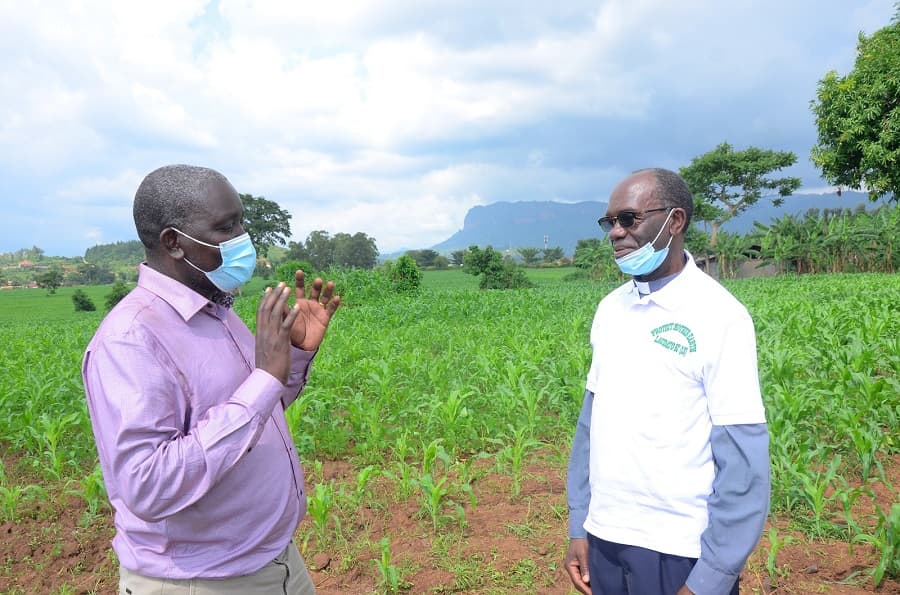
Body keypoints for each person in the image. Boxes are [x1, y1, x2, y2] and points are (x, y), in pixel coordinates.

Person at [82, 164, 340, 595]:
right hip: (202, 582)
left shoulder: (218, 311)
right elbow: (148, 485)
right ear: (174, 243)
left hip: (275, 562)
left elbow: (256, 413)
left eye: (241, 222)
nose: (243, 240)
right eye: (226, 227)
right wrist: (263, 378)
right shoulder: (130, 339)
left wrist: (291, 358)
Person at [564, 168, 770, 595]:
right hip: (605, 538)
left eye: (628, 219)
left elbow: (744, 462)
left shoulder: (720, 316)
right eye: (610, 223)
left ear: (675, 222)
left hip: (678, 550)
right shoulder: (610, 310)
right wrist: (580, 525)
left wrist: (711, 578)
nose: (615, 233)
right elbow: (590, 428)